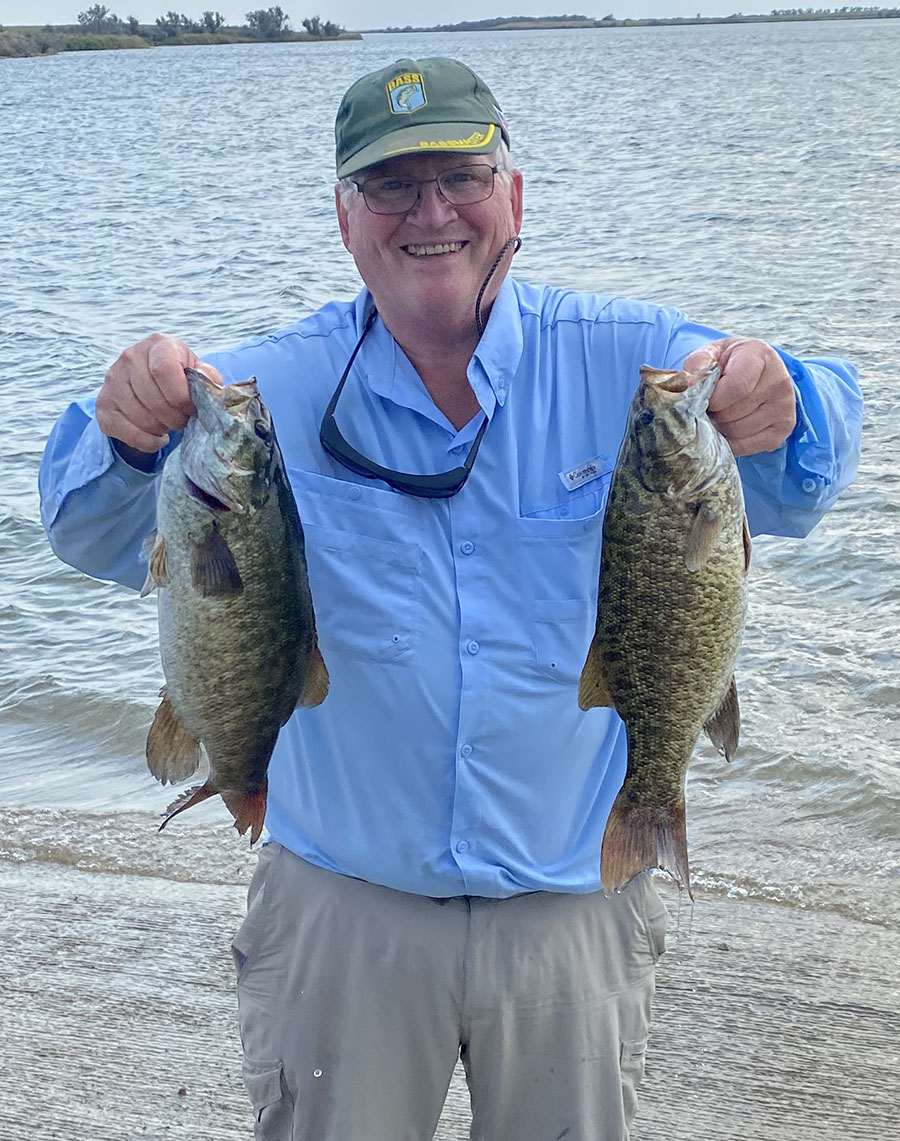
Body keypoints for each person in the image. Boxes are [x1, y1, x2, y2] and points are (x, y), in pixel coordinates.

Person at [39, 57, 862, 1141]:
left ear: (514, 195)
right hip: (340, 910)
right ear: (345, 218)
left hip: (576, 903)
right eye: (391, 185)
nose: (431, 212)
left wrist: (783, 397)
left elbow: (810, 475)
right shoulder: (262, 394)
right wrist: (122, 427)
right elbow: (84, 526)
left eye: (462, 177)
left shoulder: (637, 362)